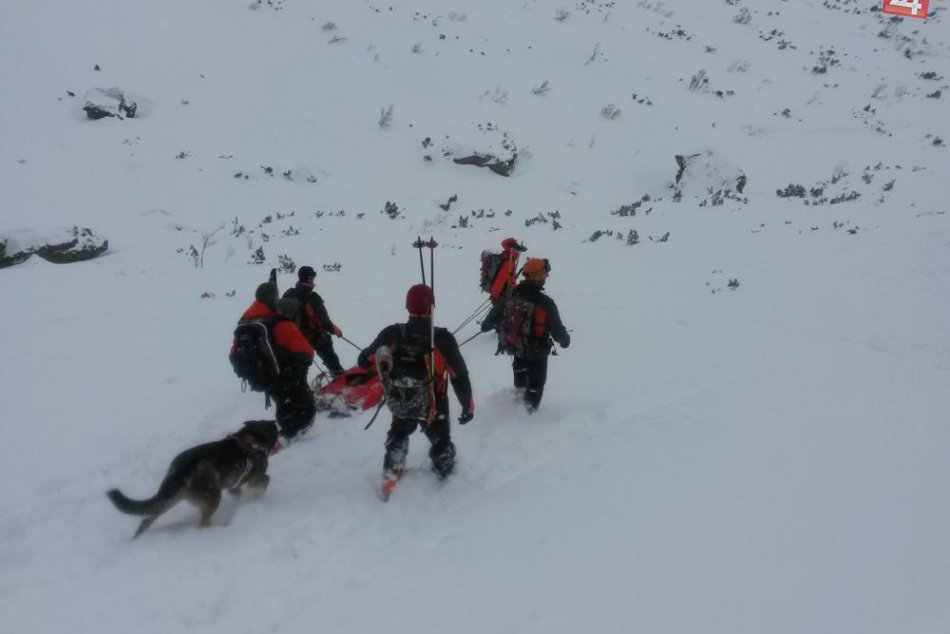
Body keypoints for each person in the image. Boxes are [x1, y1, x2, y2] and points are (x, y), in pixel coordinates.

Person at [357, 284, 474, 480]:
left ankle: (392, 469)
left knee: (399, 432)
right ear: (432, 307)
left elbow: (364, 361)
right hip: (434, 403)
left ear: (407, 306)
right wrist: (467, 404)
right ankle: (443, 465)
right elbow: (458, 375)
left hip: (401, 398)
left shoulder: (392, 333)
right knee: (440, 438)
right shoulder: (443, 339)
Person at [481, 258, 570, 413]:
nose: (547, 276)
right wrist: (565, 340)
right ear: (537, 276)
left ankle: (518, 403)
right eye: (544, 273)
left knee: (520, 374)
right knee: (536, 382)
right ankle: (529, 414)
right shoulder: (545, 303)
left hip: (516, 348)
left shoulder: (511, 295)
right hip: (537, 351)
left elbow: (490, 320)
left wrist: (487, 325)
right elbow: (557, 332)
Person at [234, 282, 317, 441]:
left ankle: (286, 427)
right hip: (286, 373)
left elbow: (234, 353)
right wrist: (300, 369)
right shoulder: (279, 322)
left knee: (282, 401)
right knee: (302, 405)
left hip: (263, 375)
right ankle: (293, 434)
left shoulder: (245, 322)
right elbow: (306, 352)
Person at [282, 265, 345, 377]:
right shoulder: (313, 297)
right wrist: (336, 330)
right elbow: (325, 322)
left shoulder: (288, 294)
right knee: (327, 350)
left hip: (293, 337)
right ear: (310, 279)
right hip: (312, 335)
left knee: (298, 363)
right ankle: (338, 374)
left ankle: (299, 385)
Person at [489, 237, 528, 304]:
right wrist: (494, 296)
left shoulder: (508, 258)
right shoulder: (509, 262)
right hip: (504, 296)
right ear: (512, 248)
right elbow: (500, 280)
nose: (518, 252)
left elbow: (510, 278)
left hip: (506, 294)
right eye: (517, 248)